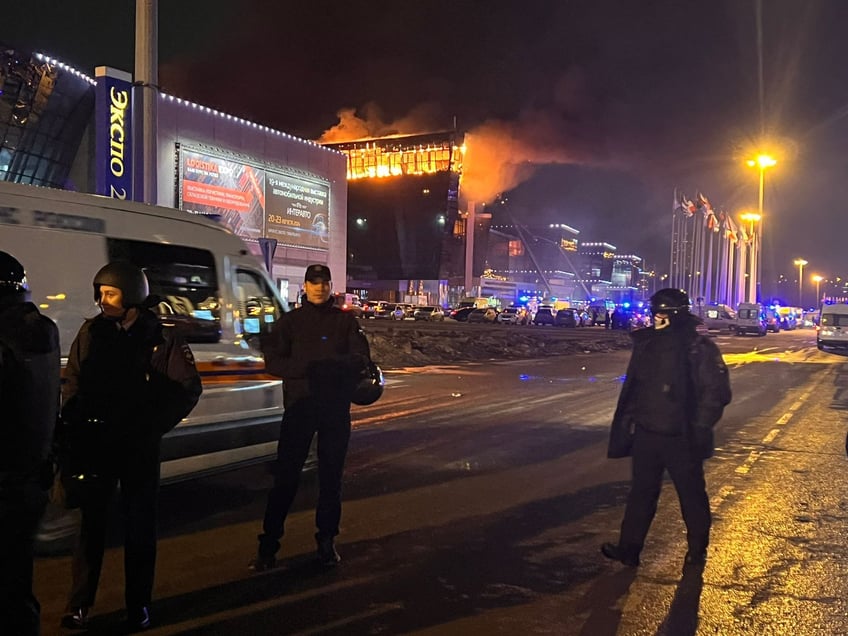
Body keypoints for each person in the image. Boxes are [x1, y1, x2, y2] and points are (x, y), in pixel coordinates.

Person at [60, 262, 202, 631]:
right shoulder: (91, 332)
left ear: (132, 296)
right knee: (90, 527)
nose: (102, 301)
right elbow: (73, 380)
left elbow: (187, 389)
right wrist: (76, 423)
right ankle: (79, 604)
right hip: (98, 444)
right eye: (100, 294)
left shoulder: (161, 337)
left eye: (111, 294)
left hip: (138, 447)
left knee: (139, 529)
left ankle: (138, 604)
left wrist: (151, 426)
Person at [601, 288, 731, 572]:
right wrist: (631, 423)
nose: (657, 317)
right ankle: (629, 550)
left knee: (691, 495)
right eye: (655, 311)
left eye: (663, 312)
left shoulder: (698, 348)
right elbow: (636, 388)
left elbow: (716, 392)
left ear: (676, 314)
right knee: (641, 495)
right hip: (647, 434)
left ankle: (697, 551)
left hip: (682, 437)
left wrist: (697, 426)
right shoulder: (648, 344)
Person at [252, 263, 371, 571]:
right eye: (313, 282)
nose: (319, 288)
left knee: (331, 480)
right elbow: (273, 360)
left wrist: (335, 367)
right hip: (300, 408)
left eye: (324, 282)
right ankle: (268, 546)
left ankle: (327, 541)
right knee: (285, 479)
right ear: (305, 286)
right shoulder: (290, 322)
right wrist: (301, 371)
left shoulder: (345, 322)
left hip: (334, 410)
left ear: (331, 286)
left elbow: (362, 358)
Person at [0, 251, 61, 636]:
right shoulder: (42, 330)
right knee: (16, 581)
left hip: (5, 477)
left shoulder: (4, 339)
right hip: (31, 474)